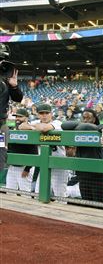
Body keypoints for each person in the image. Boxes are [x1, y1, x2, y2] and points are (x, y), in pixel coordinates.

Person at [20, 104, 69, 201]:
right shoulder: (36, 122)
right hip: (44, 165)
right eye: (41, 113)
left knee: (60, 196)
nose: (44, 115)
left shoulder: (57, 122)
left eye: (47, 113)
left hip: (59, 164)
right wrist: (33, 127)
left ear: (51, 114)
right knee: (39, 193)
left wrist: (34, 127)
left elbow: (44, 129)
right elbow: (22, 126)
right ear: (38, 115)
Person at [61, 108, 103, 202]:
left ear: (94, 119)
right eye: (83, 118)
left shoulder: (98, 129)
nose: (85, 120)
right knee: (86, 202)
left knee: (98, 204)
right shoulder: (80, 127)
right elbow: (64, 125)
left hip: (97, 173)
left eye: (88, 118)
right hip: (82, 172)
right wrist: (83, 124)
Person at [0, 43, 23, 171]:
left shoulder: (6, 78)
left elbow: (18, 98)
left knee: (0, 155)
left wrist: (14, 85)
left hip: (1, 126)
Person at [6, 108, 38, 195]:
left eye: (20, 116)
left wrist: (27, 168)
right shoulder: (12, 128)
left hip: (24, 167)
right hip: (12, 166)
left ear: (27, 118)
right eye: (16, 116)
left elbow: (34, 153)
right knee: (9, 192)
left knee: (25, 194)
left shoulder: (30, 130)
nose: (17, 118)